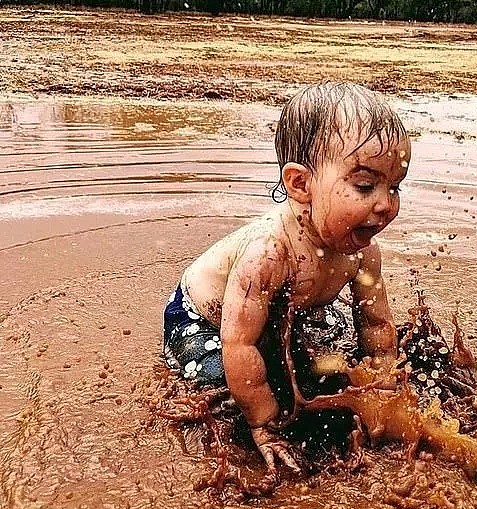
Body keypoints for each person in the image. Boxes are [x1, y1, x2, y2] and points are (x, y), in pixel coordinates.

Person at [163, 82, 411, 474]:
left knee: (331, 362)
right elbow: (238, 343)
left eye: (394, 186)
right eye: (365, 185)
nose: (385, 204)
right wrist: (263, 423)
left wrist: (383, 384)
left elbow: (377, 323)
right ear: (300, 185)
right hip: (202, 321)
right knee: (229, 390)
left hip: (281, 311)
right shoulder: (270, 253)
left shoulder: (363, 251)